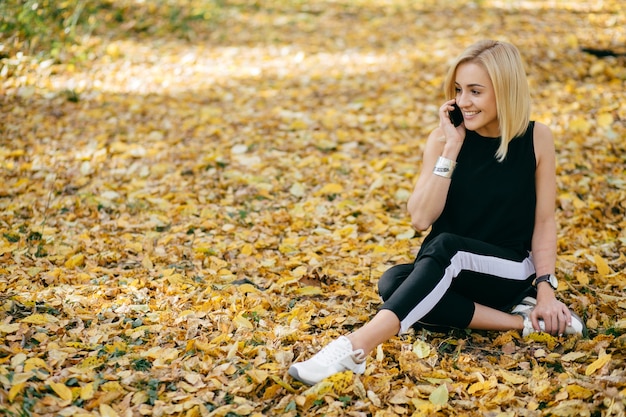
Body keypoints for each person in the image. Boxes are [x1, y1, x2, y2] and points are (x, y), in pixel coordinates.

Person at [288, 40, 585, 386]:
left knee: (447, 251)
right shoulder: (443, 140)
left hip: (510, 266)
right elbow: (420, 218)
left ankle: (355, 348)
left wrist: (546, 289)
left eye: (476, 91)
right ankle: (523, 323)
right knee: (393, 283)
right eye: (458, 90)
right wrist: (452, 148)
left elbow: (545, 221)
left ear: (505, 90)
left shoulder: (536, 138)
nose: (463, 102)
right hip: (456, 266)